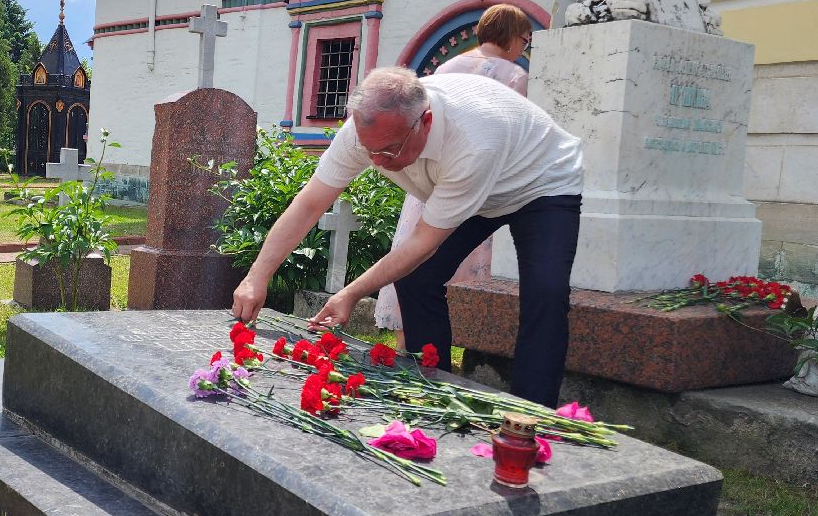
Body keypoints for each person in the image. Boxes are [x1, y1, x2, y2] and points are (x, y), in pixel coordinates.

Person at [230, 65, 583, 408]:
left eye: (389, 150)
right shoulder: (365, 133)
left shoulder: (473, 139)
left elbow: (421, 244)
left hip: (541, 183)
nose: (378, 162)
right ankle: (435, 387)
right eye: (371, 152)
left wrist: (351, 293)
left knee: (546, 292)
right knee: (415, 280)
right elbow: (310, 204)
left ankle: (530, 418)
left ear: (425, 122)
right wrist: (256, 277)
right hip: (470, 189)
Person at [374, 5, 534, 343]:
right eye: (524, 39)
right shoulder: (516, 77)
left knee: (417, 258)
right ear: (510, 35)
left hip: (433, 177)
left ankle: (408, 346)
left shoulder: (448, 66)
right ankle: (467, 338)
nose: (525, 47)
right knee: (463, 261)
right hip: (476, 182)